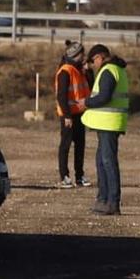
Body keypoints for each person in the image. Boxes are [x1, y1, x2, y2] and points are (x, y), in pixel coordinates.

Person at [81, 44, 130, 216]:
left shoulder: (109, 70)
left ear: (100, 57)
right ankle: (103, 199)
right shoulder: (117, 69)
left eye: (93, 61)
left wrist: (85, 103)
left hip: (109, 123)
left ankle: (112, 201)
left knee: (108, 162)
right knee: (102, 161)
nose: (93, 65)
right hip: (108, 123)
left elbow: (104, 97)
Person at [53, 41, 88, 188]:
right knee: (66, 145)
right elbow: (61, 96)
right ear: (76, 55)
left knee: (80, 145)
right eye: (82, 54)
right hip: (68, 115)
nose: (84, 57)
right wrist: (67, 116)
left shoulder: (78, 70)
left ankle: (79, 175)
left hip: (79, 113)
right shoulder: (65, 71)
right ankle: (64, 176)